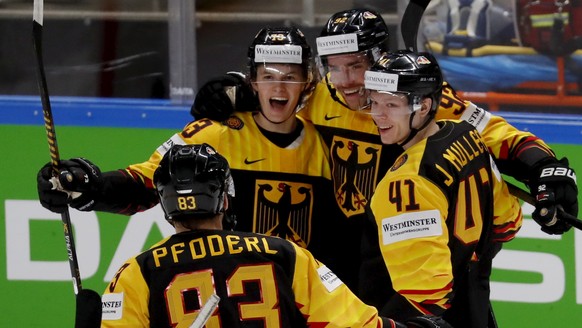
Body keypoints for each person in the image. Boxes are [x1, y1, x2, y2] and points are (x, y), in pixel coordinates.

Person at [191, 8, 578, 290]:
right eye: (333, 67)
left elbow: (496, 134)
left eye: (356, 66)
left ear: (380, 59)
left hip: (414, 241)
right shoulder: (320, 95)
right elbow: (278, 88)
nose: (345, 82)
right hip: (347, 246)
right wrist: (232, 89)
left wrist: (545, 168)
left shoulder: (417, 97)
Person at [37, 26, 342, 269]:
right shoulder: (217, 132)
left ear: (308, 82)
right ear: (252, 81)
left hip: (299, 298)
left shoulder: (324, 144)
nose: (278, 88)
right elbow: (147, 182)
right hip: (233, 296)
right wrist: (88, 188)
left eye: (290, 78)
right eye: (268, 77)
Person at [100, 143, 452, 328]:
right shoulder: (282, 253)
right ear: (225, 197)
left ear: (163, 202)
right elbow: (352, 323)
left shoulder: (136, 273)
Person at [361, 50, 523, 327]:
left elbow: (425, 294)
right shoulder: (465, 135)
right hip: (475, 304)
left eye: (390, 105)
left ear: (423, 106)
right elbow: (508, 223)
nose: (377, 115)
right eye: (374, 102)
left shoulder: (406, 182)